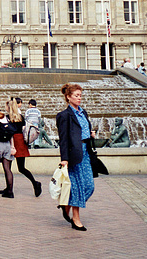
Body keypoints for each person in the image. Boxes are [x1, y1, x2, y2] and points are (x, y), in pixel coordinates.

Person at [56, 83, 96, 231]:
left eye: (80, 95)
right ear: (68, 97)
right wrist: (64, 158)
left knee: (89, 186)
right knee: (78, 187)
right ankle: (76, 219)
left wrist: (90, 134)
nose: (79, 98)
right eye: (76, 95)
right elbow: (64, 139)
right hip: (74, 154)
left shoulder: (83, 112)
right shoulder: (64, 115)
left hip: (86, 151)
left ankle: (66, 204)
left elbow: (83, 128)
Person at [8, 98, 42, 197]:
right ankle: (35, 183)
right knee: (21, 168)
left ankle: (9, 189)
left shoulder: (8, 117)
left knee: (8, 167)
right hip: (20, 140)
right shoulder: (21, 117)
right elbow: (23, 128)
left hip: (13, 141)